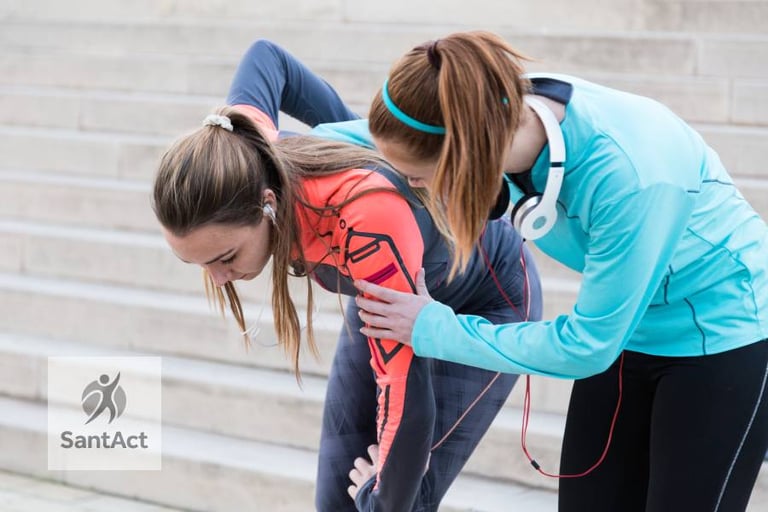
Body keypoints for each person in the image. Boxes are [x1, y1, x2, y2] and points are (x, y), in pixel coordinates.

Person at [350, 30, 768, 511]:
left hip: (721, 339)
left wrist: (434, 327)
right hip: (628, 336)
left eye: (418, 177)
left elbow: (587, 347)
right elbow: (347, 135)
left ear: (467, 153)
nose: (412, 187)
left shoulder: (630, 176)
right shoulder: (480, 108)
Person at [151, 39, 543, 512]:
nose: (219, 278)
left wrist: (385, 499)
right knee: (337, 500)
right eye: (199, 264)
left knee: (397, 501)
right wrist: (366, 147)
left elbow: (406, 392)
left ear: (267, 204)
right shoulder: (248, 148)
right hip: (387, 296)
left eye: (225, 256)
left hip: (485, 302)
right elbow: (265, 57)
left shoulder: (367, 220)